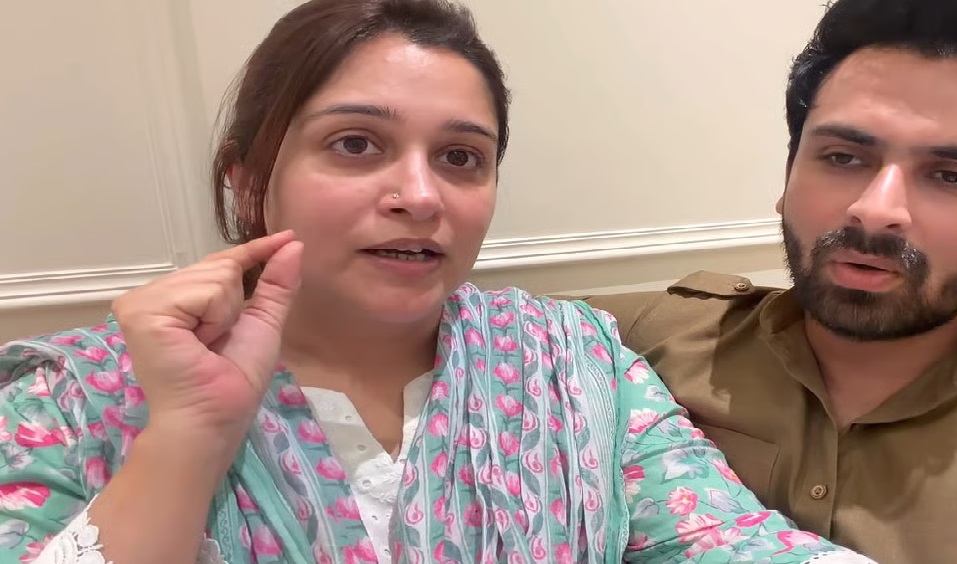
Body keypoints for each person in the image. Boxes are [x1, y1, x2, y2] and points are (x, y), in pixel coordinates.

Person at [0, 1, 879, 563]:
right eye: (356, 144)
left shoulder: (573, 364)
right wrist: (186, 437)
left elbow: (731, 541)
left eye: (461, 157)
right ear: (249, 178)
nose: (420, 196)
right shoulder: (73, 398)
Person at [577, 0, 957, 562]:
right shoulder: (634, 342)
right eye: (843, 158)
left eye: (952, 175)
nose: (874, 210)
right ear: (789, 176)